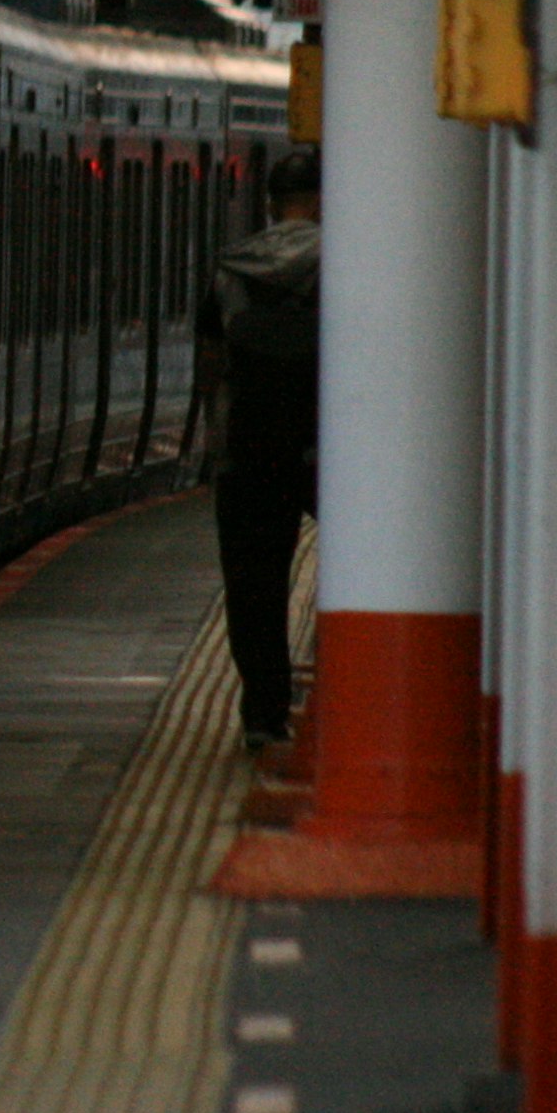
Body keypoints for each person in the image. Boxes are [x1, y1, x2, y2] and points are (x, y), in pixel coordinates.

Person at [197, 146, 323, 764]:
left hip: (249, 449)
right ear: (325, 203)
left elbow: (211, 363)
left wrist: (217, 441)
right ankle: (353, 693)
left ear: (272, 207)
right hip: (328, 451)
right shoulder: (347, 261)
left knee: (254, 589)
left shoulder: (233, 270)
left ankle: (264, 716)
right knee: (369, 568)